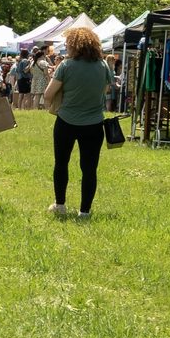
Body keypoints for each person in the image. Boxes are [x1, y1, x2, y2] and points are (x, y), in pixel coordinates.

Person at [44, 22, 116, 221]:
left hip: (66, 122)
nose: (66, 47)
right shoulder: (102, 66)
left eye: (68, 44)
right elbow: (106, 91)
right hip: (93, 125)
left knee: (61, 164)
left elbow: (48, 94)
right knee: (89, 169)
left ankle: (60, 205)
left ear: (75, 45)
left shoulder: (66, 66)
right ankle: (84, 211)